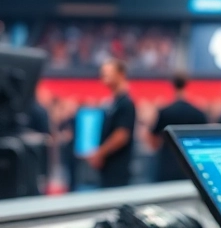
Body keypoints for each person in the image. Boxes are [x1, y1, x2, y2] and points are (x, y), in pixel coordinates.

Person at [85, 58, 136, 188]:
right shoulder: (113, 103)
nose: (104, 76)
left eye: (108, 72)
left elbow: (122, 135)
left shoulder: (126, 104)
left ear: (120, 74)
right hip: (108, 168)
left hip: (118, 169)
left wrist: (99, 153)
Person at [148, 74, 208, 181]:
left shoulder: (165, 112)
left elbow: (153, 140)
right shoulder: (198, 113)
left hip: (167, 165)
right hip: (191, 166)